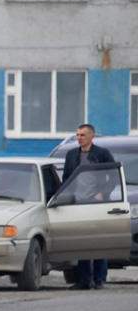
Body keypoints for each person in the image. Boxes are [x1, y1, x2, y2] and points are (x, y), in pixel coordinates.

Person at [62, 123, 115, 290]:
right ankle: (84, 280)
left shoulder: (102, 154)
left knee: (99, 241)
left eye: (82, 135)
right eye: (77, 135)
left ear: (92, 136)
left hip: (97, 203)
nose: (79, 138)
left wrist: (102, 193)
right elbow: (66, 179)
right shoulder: (71, 155)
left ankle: (99, 279)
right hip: (78, 204)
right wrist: (65, 198)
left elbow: (113, 176)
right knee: (81, 242)